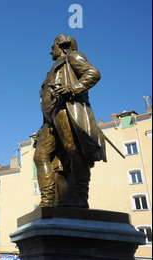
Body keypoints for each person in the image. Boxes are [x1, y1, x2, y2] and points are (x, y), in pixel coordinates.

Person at [33, 34, 106, 208]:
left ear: (62, 46)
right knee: (40, 156)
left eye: (53, 46)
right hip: (50, 119)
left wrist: (72, 88)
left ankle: (81, 197)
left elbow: (94, 73)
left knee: (73, 150)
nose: (51, 50)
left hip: (66, 110)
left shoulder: (72, 57)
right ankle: (47, 201)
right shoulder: (52, 69)